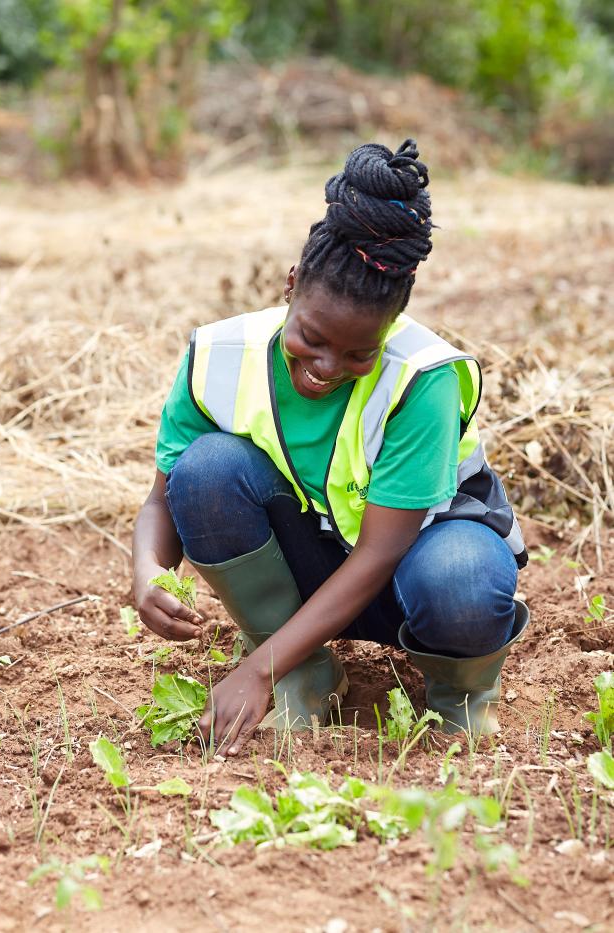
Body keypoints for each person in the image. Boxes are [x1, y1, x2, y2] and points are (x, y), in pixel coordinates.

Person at [131, 139, 529, 757]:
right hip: (312, 567)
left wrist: (253, 670)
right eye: (312, 339)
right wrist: (148, 573)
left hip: (411, 569)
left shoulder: (422, 380)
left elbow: (376, 556)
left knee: (462, 579)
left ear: (390, 329)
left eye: (357, 353)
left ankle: (459, 694)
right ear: (291, 286)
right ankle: (304, 671)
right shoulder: (218, 355)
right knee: (205, 470)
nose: (326, 367)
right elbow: (162, 500)